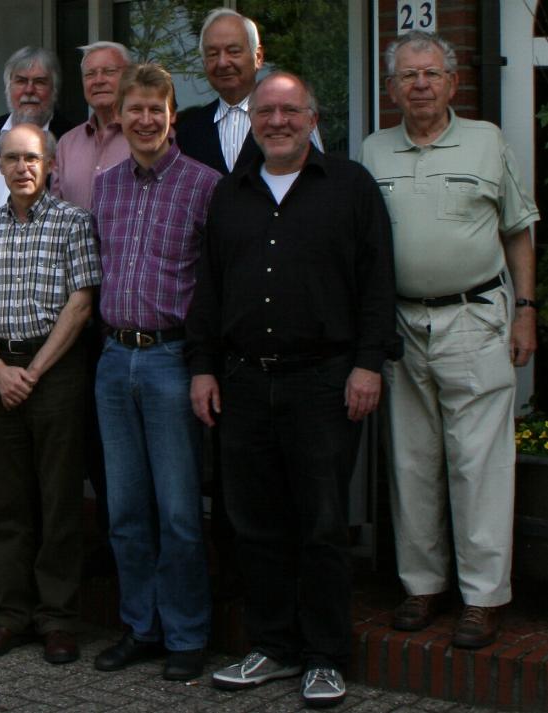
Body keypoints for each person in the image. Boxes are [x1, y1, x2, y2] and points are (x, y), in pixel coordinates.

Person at [186, 72, 398, 707]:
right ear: (253, 121)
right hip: (246, 381)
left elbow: (378, 281)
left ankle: (326, 655)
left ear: (312, 118)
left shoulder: (352, 187)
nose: (277, 121)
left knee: (322, 524)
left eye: (289, 111)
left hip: (324, 382)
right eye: (266, 112)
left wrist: (368, 364)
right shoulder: (231, 193)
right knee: (256, 524)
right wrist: (203, 367)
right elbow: (209, 288)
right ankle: (273, 646)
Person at [359, 30, 540, 649]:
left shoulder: (488, 141)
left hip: (474, 318)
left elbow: (518, 230)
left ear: (453, 82)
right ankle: (422, 585)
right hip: (402, 326)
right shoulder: (372, 151)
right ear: (390, 90)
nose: (420, 85)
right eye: (407, 76)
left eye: (431, 74)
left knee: (479, 462)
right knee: (412, 461)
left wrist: (525, 310)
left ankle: (484, 597)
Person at [0, 123, 101, 664]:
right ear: (0, 166)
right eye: (12, 159)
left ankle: (57, 618)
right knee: (5, 499)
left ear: (51, 164)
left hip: (53, 369)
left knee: (59, 497)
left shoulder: (73, 223)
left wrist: (32, 371)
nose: (23, 167)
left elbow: (81, 303)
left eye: (32, 158)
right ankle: (11, 613)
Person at [90, 63, 219, 681]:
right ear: (119, 116)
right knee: (125, 510)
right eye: (133, 109)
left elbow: (216, 285)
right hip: (115, 359)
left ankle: (188, 635)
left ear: (172, 117)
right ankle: (141, 626)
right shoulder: (107, 186)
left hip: (172, 361)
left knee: (177, 512)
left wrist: (204, 365)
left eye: (155, 110)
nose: (143, 120)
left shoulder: (204, 186)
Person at [176, 8, 321, 176]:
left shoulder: (292, 119)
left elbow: (318, 178)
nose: (222, 62)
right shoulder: (189, 129)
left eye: (233, 51)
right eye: (213, 54)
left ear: (258, 57)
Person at [0, 46, 76, 209]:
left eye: (39, 82)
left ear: (53, 90)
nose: (29, 90)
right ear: (8, 87)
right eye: (21, 81)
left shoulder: (70, 140)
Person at [51, 41, 133, 210]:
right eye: (90, 74)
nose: (98, 80)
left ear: (130, 77)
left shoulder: (147, 136)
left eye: (109, 72)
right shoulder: (67, 143)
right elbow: (55, 212)